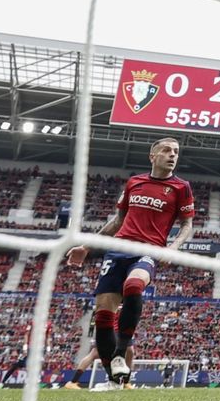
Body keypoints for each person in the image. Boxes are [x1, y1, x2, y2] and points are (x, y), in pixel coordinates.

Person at [65, 136, 195, 387]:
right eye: (166, 150)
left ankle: (119, 352)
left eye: (176, 152)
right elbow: (117, 222)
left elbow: (187, 224)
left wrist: (174, 247)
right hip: (118, 249)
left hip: (149, 250)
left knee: (134, 286)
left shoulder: (181, 187)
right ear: (153, 156)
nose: (172, 155)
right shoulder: (135, 182)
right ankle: (113, 372)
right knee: (103, 314)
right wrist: (86, 247)